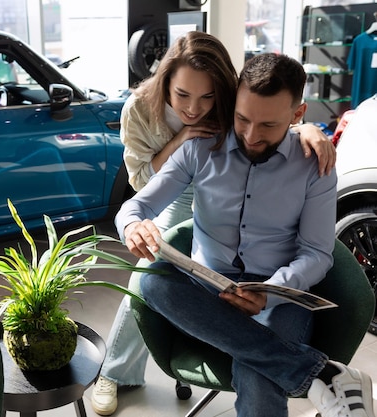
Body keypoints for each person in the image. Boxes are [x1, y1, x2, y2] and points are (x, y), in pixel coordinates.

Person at [115, 52, 375, 417]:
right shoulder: (199, 148)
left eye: (268, 125)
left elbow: (318, 252)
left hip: (276, 292)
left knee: (257, 380)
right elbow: (134, 207)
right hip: (208, 288)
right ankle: (321, 373)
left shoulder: (316, 167)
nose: (251, 135)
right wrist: (133, 226)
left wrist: (272, 292)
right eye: (242, 119)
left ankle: (291, 364)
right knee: (154, 282)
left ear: (297, 116)